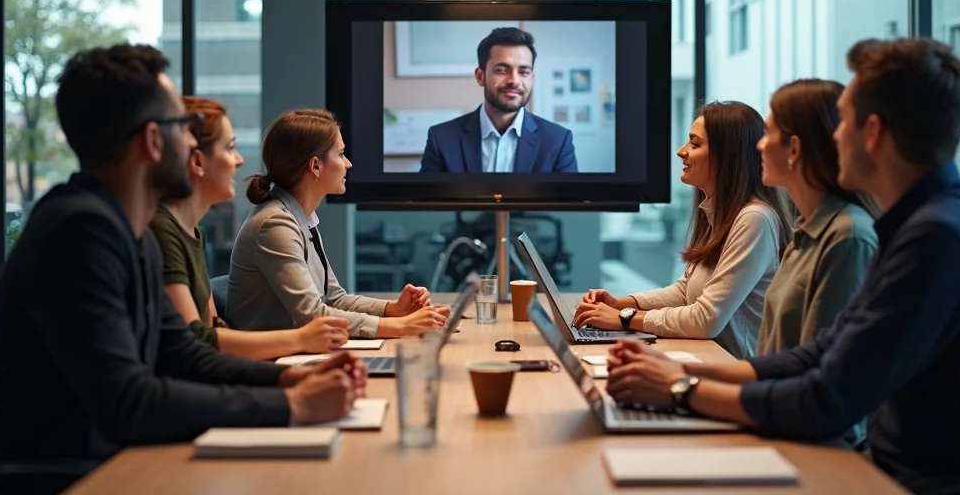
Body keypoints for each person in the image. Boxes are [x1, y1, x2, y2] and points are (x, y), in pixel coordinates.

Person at [604, 38, 960, 495]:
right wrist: (680, 372)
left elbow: (827, 398)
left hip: (918, 482)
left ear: (872, 133)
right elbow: (819, 355)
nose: (834, 137)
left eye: (846, 122)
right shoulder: (929, 223)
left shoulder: (937, 239)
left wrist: (681, 391)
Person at [0, 44, 364, 468]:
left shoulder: (129, 231)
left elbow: (184, 354)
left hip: (112, 458)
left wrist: (292, 377)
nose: (191, 143)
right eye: (183, 126)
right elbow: (128, 401)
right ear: (152, 140)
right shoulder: (78, 232)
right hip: (60, 474)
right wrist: (292, 405)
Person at [574, 101, 792, 359]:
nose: (681, 151)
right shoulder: (719, 213)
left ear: (728, 155)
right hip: (707, 359)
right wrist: (622, 303)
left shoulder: (754, 219)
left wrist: (624, 318)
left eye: (695, 144)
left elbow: (706, 319)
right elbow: (684, 291)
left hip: (734, 372)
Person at [150, 96, 350, 360]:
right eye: (230, 148)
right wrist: (294, 358)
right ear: (196, 161)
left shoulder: (192, 231)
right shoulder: (163, 232)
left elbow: (213, 332)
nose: (240, 160)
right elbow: (196, 344)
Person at [228, 108, 450, 337]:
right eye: (341, 154)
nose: (349, 164)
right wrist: (402, 326)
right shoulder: (275, 224)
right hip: (271, 363)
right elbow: (313, 315)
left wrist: (393, 309)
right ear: (315, 165)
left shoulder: (301, 217)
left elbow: (334, 298)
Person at [755, 79, 878, 356]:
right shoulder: (805, 233)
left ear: (795, 149)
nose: (759, 146)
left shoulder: (849, 237)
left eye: (766, 133)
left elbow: (816, 370)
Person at [418, 27, 578, 173]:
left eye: (524, 72)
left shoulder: (558, 141)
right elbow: (429, 202)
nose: (514, 81)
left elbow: (565, 204)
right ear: (480, 76)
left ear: (532, 79)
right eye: (502, 70)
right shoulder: (441, 138)